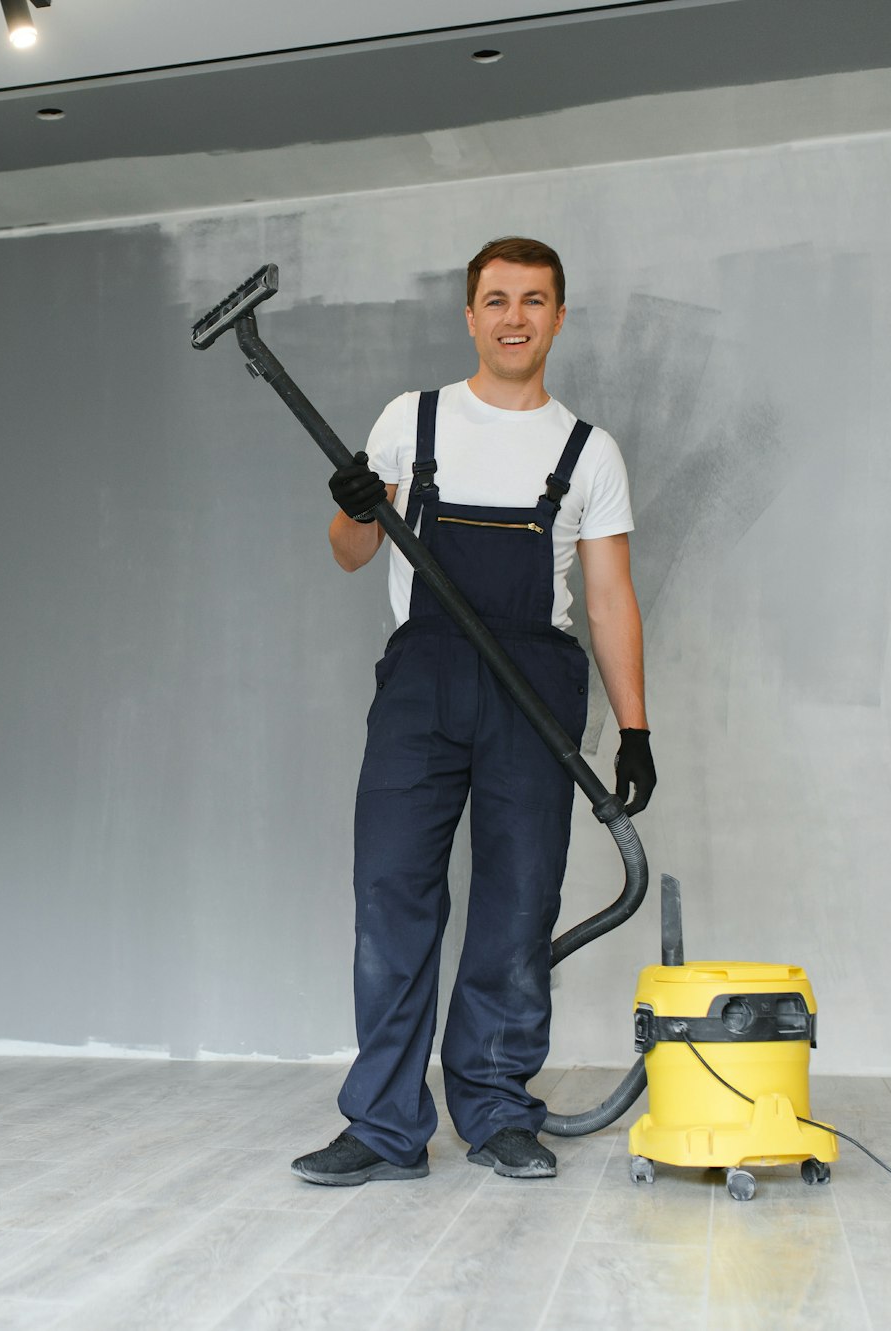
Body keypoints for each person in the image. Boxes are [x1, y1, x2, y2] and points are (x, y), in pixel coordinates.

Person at [291, 236, 655, 1185]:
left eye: (534, 301)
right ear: (470, 315)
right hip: (423, 684)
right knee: (390, 891)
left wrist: (637, 727)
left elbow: (610, 598)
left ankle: (495, 1108)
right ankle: (383, 1125)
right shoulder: (409, 422)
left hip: (534, 690)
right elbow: (349, 553)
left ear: (558, 316)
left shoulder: (588, 450)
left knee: (518, 901)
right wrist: (355, 505)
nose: (514, 317)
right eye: (496, 300)